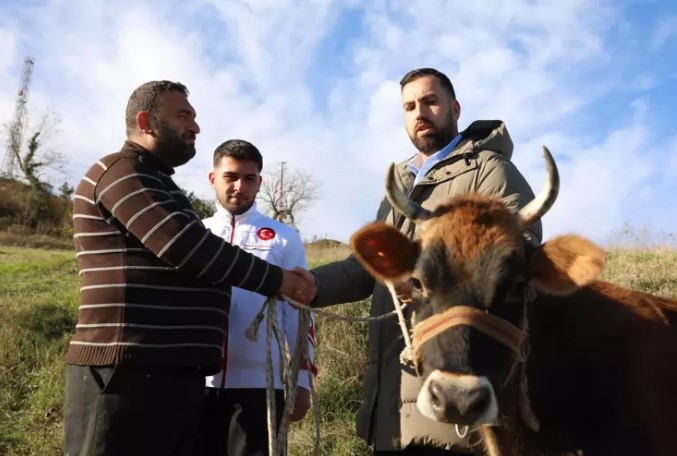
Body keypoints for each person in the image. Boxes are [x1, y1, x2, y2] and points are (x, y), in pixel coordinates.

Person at [64, 81, 314, 456]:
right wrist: (277, 280)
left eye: (194, 117)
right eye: (184, 116)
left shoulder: (162, 185)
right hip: (125, 375)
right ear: (146, 121)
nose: (195, 126)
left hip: (170, 376)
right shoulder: (121, 172)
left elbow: (299, 320)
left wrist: (301, 381)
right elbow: (188, 248)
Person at [306, 68, 542, 454]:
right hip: (390, 384)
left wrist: (423, 278)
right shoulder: (399, 182)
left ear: (454, 108)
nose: (420, 113)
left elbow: (514, 255)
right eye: (409, 106)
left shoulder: (489, 169)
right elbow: (367, 269)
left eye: (431, 102)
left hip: (458, 379)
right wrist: (308, 285)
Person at [193, 139, 317, 455]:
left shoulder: (283, 238)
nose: (239, 186)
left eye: (249, 178)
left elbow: (300, 312)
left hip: (261, 386)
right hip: (195, 385)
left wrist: (302, 380)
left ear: (260, 182)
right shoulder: (195, 234)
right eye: (230, 176)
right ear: (212, 179)